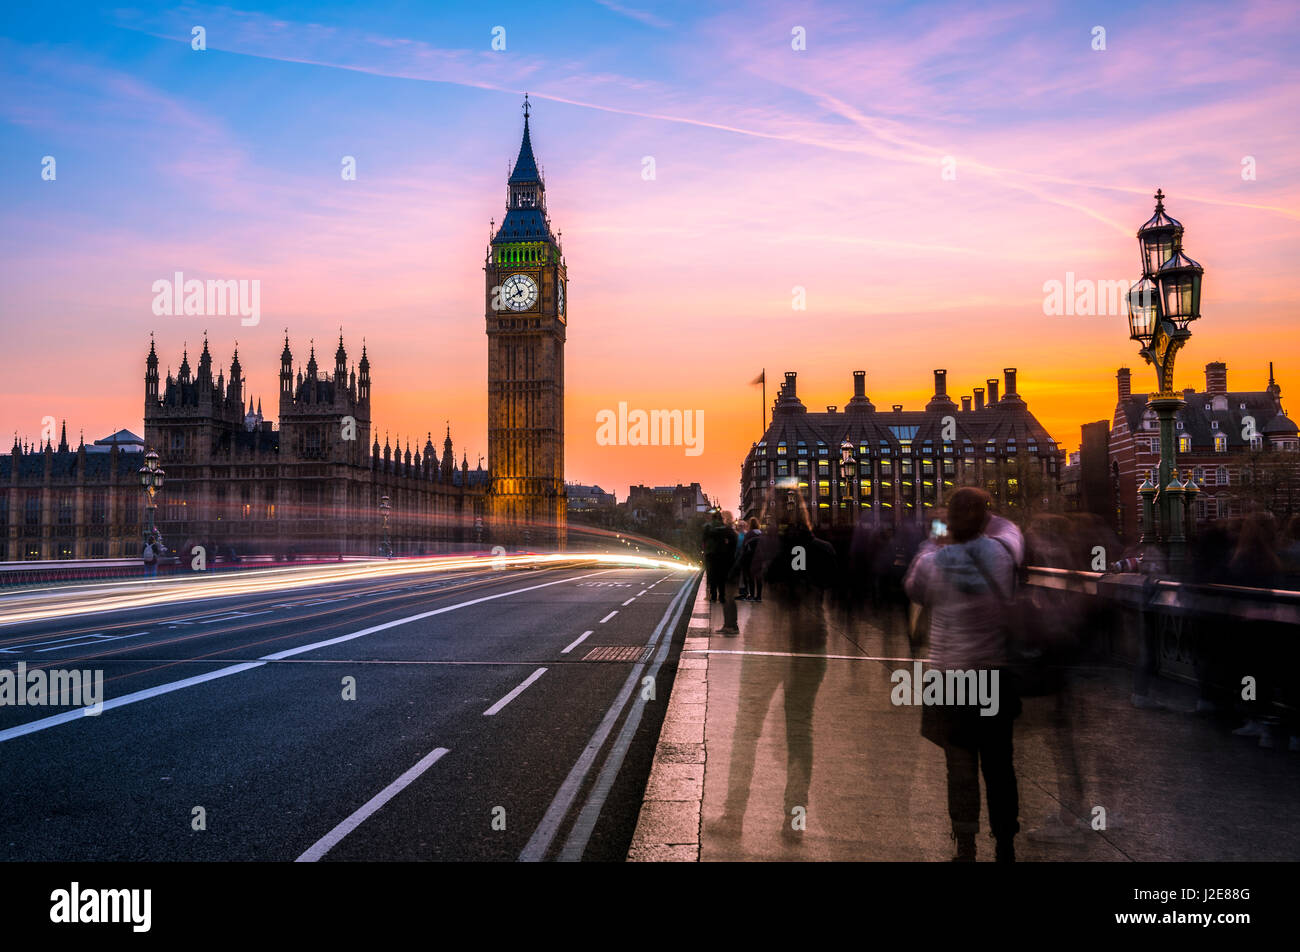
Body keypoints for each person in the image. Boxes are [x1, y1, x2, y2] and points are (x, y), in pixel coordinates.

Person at [904, 487, 1023, 862]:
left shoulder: (932, 562)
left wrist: (933, 541)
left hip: (950, 675)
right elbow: (1014, 535)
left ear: (951, 521)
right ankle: (1005, 843)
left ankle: (967, 844)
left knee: (959, 764)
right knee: (1000, 764)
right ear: (985, 519)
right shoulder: (1002, 555)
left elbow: (914, 590)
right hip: (994, 673)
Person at [702, 510, 737, 603]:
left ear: (712, 517)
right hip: (722, 554)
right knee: (721, 576)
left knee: (712, 575)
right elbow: (733, 540)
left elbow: (703, 540)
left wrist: (705, 550)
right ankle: (722, 596)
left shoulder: (707, 527)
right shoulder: (725, 527)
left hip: (710, 554)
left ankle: (713, 596)